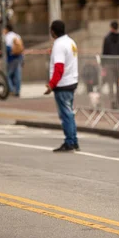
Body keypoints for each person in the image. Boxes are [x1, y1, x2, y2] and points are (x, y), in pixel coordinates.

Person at [46, 20, 80, 153]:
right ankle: (74, 140)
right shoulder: (71, 42)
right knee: (69, 113)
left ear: (53, 31)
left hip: (63, 83)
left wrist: (51, 84)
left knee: (66, 114)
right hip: (71, 81)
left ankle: (70, 141)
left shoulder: (59, 45)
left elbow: (59, 68)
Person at [102, 20, 119, 109]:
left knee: (110, 83)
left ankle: (112, 100)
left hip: (109, 63)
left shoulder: (107, 38)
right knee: (118, 84)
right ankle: (118, 101)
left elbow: (104, 52)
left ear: (111, 27)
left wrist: (103, 64)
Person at [3, 24, 24, 97]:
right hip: (19, 57)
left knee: (7, 75)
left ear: (6, 29)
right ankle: (17, 91)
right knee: (17, 75)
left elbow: (7, 48)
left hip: (11, 58)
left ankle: (11, 90)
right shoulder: (17, 35)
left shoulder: (7, 37)